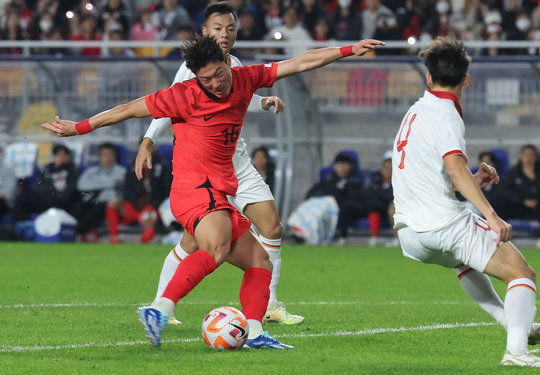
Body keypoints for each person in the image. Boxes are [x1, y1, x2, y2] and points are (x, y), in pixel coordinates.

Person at [41, 34, 384, 349]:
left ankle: (255, 333)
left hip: (219, 190)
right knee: (217, 246)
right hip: (192, 189)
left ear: (225, 61)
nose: (216, 83)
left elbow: (300, 62)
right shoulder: (184, 95)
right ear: (195, 78)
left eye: (219, 74)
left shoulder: (246, 77)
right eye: (206, 80)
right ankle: (159, 310)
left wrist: (348, 50)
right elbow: (127, 109)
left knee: (259, 261)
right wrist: (79, 127)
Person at [391, 36, 540, 367]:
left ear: (428, 77)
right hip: (443, 225)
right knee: (523, 274)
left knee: (465, 261)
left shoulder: (415, 111)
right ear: (467, 80)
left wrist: (471, 181)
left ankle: (514, 326)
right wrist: (491, 215)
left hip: (410, 234)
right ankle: (517, 353)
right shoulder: (446, 114)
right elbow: (454, 168)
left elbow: (432, 174)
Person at [135, 2, 301, 327]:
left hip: (237, 162)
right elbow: (166, 104)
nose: (224, 35)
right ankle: (160, 305)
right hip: (207, 171)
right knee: (196, 241)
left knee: (271, 227)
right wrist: (148, 140)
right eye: (217, 28)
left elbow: (236, 95)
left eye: (230, 29)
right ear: (204, 32)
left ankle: (269, 304)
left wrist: (263, 103)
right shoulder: (193, 68)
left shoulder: (233, 64)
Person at [106, 145, 172, 244]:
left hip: (152, 207)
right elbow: (127, 189)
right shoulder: (133, 166)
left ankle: (145, 239)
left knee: (148, 216)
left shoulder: (163, 166)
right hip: (133, 206)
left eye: (149, 147)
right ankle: (115, 236)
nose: (146, 150)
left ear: (154, 148)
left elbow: (167, 191)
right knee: (112, 203)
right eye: (143, 147)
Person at [496, 145, 540, 249]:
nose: (528, 158)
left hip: (539, 207)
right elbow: (505, 190)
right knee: (500, 205)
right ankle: (500, 236)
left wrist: (533, 177)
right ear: (520, 156)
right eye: (526, 155)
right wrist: (522, 200)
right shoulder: (513, 173)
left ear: (536, 157)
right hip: (519, 207)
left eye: (532, 155)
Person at [305, 151, 364, 245]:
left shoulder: (354, 182)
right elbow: (310, 194)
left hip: (348, 208)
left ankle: (342, 237)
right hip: (326, 209)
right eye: (340, 164)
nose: (342, 167)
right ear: (334, 166)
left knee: (344, 208)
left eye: (345, 165)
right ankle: (304, 234)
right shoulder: (327, 180)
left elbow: (355, 200)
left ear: (351, 167)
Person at [73, 143, 126, 242]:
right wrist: (105, 183)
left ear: (115, 156)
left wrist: (94, 182)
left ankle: (81, 232)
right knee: (77, 206)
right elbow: (81, 185)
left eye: (110, 154)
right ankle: (78, 232)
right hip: (91, 202)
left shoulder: (121, 171)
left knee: (99, 208)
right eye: (104, 154)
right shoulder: (91, 171)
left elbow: (113, 183)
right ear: (99, 157)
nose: (107, 157)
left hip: (110, 204)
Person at [13, 144, 80, 223]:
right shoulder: (47, 171)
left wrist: (51, 191)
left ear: (68, 157)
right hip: (43, 200)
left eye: (62, 155)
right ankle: (19, 227)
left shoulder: (72, 172)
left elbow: (68, 193)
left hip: (60, 203)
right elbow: (36, 187)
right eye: (56, 154)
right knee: (21, 200)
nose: (59, 157)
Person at [365, 150, 396, 246]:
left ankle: (397, 239)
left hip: (392, 204)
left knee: (393, 209)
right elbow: (370, 191)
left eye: (391, 162)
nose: (389, 165)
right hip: (379, 205)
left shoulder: (399, 177)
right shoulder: (376, 176)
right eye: (387, 162)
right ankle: (375, 237)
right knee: (372, 206)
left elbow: (391, 195)